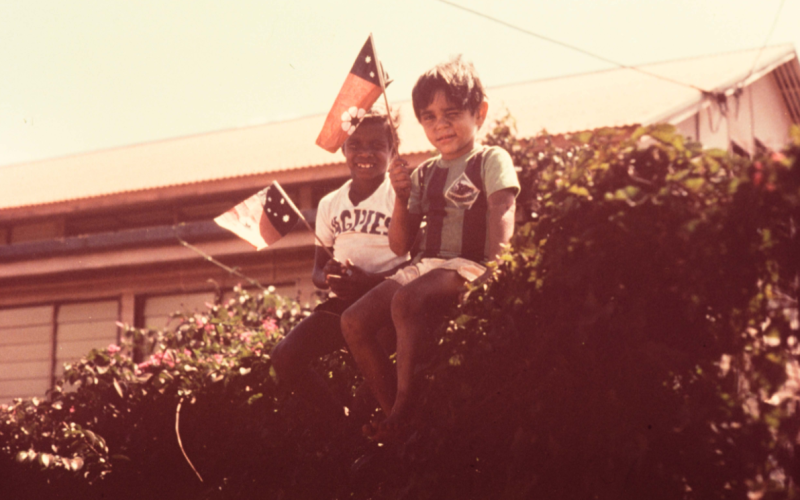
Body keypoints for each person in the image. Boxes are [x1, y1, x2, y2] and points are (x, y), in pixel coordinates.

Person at [340, 56, 520, 437]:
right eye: (429, 117)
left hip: (468, 265)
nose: (441, 126)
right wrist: (403, 199)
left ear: (479, 112)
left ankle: (404, 408)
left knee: (406, 302)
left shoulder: (491, 159)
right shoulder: (423, 173)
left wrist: (497, 269)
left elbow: (502, 212)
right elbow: (401, 245)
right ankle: (395, 417)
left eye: (451, 113)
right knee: (352, 321)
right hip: (425, 266)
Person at [269, 109, 409, 420]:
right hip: (343, 303)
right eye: (355, 144)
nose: (365, 153)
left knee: (372, 391)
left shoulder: (400, 196)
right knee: (285, 356)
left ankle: (375, 429)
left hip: (386, 304)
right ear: (343, 148)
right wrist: (329, 275)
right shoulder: (330, 203)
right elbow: (317, 271)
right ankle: (339, 422)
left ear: (393, 148)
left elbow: (416, 263)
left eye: (376, 145)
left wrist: (370, 281)